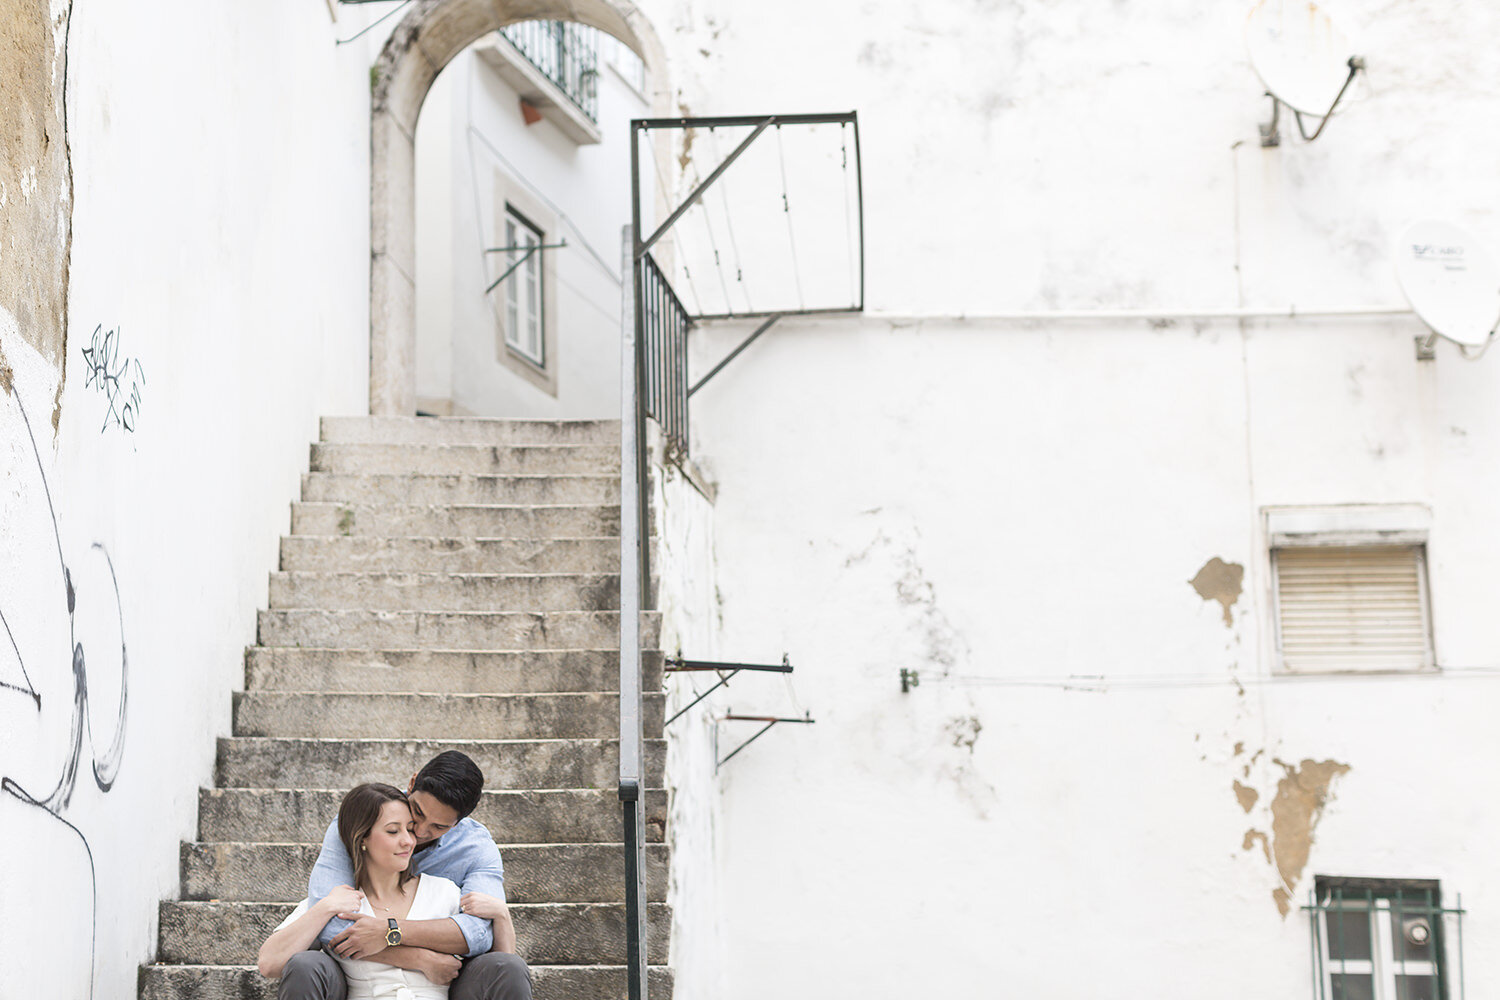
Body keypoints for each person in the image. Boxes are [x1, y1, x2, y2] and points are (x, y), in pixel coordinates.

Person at [269, 753, 530, 1000]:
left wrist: (389, 930)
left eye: (439, 826)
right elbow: (331, 927)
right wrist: (419, 959)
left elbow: (478, 934)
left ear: (460, 821)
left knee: (506, 968)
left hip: (447, 982)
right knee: (306, 963)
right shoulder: (358, 824)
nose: (418, 833)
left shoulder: (464, 867)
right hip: (360, 981)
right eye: (416, 813)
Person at [258, 783, 469, 997]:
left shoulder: (444, 893)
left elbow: (493, 960)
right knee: (304, 962)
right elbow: (269, 963)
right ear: (362, 839)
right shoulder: (339, 901)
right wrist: (326, 907)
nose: (408, 840)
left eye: (410, 828)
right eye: (393, 831)